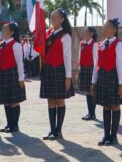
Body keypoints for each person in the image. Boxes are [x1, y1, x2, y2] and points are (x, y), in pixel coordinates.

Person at [40, 9, 74, 140]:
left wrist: (68, 77)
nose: (52, 20)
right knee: (50, 100)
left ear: (62, 19)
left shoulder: (65, 36)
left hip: (59, 70)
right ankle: (52, 129)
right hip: (48, 70)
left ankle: (58, 131)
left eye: (55, 17)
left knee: (59, 99)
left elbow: (67, 57)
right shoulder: (48, 33)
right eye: (51, 17)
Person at [91, 19, 122, 146]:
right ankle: (106, 135)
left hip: (113, 76)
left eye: (106, 27)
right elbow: (96, 64)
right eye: (103, 27)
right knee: (106, 105)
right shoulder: (99, 44)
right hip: (102, 76)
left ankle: (113, 136)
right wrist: (93, 81)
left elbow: (120, 65)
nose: (103, 29)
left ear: (114, 30)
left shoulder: (118, 44)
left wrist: (121, 84)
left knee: (115, 105)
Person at [0, 22, 26, 133]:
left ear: (12, 32)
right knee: (6, 101)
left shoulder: (16, 45)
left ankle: (14, 125)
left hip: (12, 74)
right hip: (2, 74)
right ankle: (9, 124)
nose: (2, 32)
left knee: (14, 101)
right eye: (2, 30)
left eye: (5, 30)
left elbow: (20, 63)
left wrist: (21, 78)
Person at [78, 27, 98, 121]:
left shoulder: (94, 45)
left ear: (91, 34)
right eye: (84, 31)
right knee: (87, 91)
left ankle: (92, 113)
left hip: (91, 69)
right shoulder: (82, 43)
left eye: (86, 32)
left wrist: (95, 75)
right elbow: (80, 57)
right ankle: (89, 112)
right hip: (83, 69)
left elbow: (95, 61)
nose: (84, 33)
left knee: (91, 91)